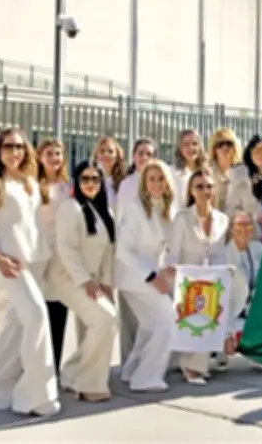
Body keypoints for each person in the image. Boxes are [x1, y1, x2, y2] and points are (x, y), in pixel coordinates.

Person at [0, 127, 59, 416]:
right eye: (8, 146)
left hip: (36, 259)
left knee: (16, 326)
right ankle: (36, 397)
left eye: (19, 146)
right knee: (37, 317)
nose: (14, 152)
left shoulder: (29, 179)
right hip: (12, 261)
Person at [48, 160, 117, 402]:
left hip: (93, 279)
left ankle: (73, 373)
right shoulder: (70, 208)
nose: (90, 184)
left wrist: (106, 283)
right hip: (67, 277)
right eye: (85, 179)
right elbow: (66, 248)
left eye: (95, 179)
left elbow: (109, 252)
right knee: (105, 318)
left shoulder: (105, 212)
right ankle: (86, 382)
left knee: (105, 322)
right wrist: (85, 280)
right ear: (76, 182)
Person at [166, 167, 239, 385]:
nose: (205, 191)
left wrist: (226, 270)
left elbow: (220, 252)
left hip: (211, 279)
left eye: (209, 186)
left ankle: (205, 359)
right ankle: (192, 366)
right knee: (196, 316)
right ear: (191, 190)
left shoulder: (222, 219)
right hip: (186, 279)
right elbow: (173, 253)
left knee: (228, 296)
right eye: (199, 186)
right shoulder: (182, 218)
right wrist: (173, 270)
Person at [114, 159, 176, 392]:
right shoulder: (135, 208)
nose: (157, 183)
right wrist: (152, 277)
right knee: (168, 320)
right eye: (151, 179)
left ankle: (131, 371)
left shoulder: (165, 208)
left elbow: (164, 247)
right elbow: (123, 250)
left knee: (151, 325)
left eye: (161, 179)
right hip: (134, 277)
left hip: (150, 274)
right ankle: (147, 377)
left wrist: (167, 268)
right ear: (144, 183)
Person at [114, 137, 157, 365]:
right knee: (129, 317)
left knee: (148, 318)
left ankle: (144, 362)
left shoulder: (159, 181)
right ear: (133, 156)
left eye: (149, 153)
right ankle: (127, 363)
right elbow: (121, 221)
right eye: (141, 153)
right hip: (130, 257)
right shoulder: (127, 185)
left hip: (152, 259)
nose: (144, 157)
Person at [36, 138, 72, 377]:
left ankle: (53, 369)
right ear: (39, 157)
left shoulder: (68, 186)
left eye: (58, 153)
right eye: (49, 153)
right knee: (38, 313)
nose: (54, 158)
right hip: (40, 254)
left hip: (62, 256)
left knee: (59, 310)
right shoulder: (33, 185)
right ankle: (35, 367)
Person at [206, 128, 242, 211]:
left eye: (229, 143)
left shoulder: (242, 171)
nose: (225, 147)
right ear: (214, 148)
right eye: (220, 144)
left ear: (234, 147)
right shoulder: (207, 172)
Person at [170, 129, 207, 209]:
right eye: (186, 144)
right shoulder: (171, 172)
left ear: (200, 147)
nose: (191, 148)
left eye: (195, 144)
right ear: (179, 148)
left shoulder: (207, 171)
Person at [92, 135, 126, 211]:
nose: (106, 154)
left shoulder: (124, 182)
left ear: (117, 156)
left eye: (110, 151)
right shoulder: (88, 180)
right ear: (96, 156)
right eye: (102, 151)